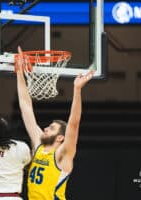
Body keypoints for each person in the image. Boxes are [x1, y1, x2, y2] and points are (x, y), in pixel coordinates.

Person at [16, 46, 95, 200]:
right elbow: (26, 107)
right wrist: (19, 72)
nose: (45, 128)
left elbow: (73, 124)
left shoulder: (62, 155)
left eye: (51, 128)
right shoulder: (39, 145)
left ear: (60, 138)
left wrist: (77, 90)